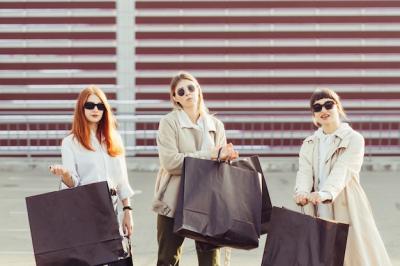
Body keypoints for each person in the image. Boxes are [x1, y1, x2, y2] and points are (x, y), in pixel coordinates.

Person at [294, 88, 392, 265]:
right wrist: (301, 192)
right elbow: (304, 172)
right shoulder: (309, 143)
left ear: (338, 107)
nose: (323, 110)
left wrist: (325, 194)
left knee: (352, 257)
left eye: (328, 104)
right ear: (314, 116)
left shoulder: (354, 139)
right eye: (317, 108)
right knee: (320, 257)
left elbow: (343, 170)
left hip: (346, 205)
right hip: (316, 208)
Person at [153, 71, 238, 266]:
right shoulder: (169, 122)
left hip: (208, 200)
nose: (187, 93)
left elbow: (221, 166)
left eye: (191, 87)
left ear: (198, 89)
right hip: (174, 200)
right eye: (181, 91)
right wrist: (209, 155)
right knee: (167, 259)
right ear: (175, 98)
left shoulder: (216, 125)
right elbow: (171, 162)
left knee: (210, 260)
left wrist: (227, 158)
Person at [49, 85, 134, 238]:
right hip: (84, 209)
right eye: (90, 105)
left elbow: (122, 181)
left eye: (100, 106)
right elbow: (73, 184)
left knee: (115, 257)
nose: (95, 109)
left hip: (111, 207)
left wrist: (127, 210)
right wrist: (65, 174)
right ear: (81, 108)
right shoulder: (70, 142)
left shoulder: (114, 139)